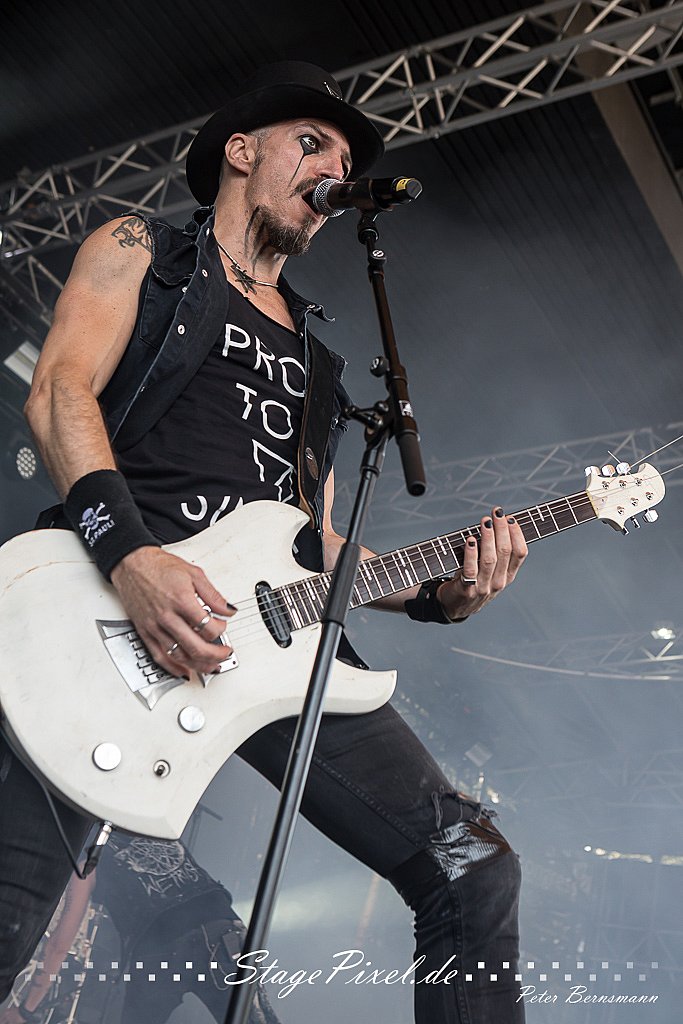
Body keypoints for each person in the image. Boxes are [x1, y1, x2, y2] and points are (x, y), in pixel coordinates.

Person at [0, 62, 528, 1022]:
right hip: (96, 616)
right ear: (240, 152)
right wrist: (131, 557)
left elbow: (311, 541)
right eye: (312, 144)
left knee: (473, 864)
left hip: (263, 644)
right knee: (8, 912)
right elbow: (58, 391)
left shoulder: (320, 364)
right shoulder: (144, 249)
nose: (333, 173)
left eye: (345, 163)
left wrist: (436, 594)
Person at [0, 835, 279, 1024]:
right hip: (226, 934)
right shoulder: (164, 832)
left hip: (163, 952)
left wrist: (26, 1010)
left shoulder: (89, 862)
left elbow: (59, 945)